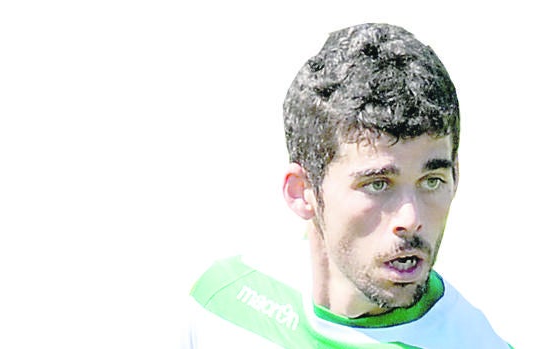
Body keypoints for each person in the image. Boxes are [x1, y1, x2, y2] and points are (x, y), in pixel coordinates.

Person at [185, 23, 512, 348]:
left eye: (431, 181)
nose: (411, 219)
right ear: (302, 192)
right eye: (379, 184)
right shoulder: (222, 306)